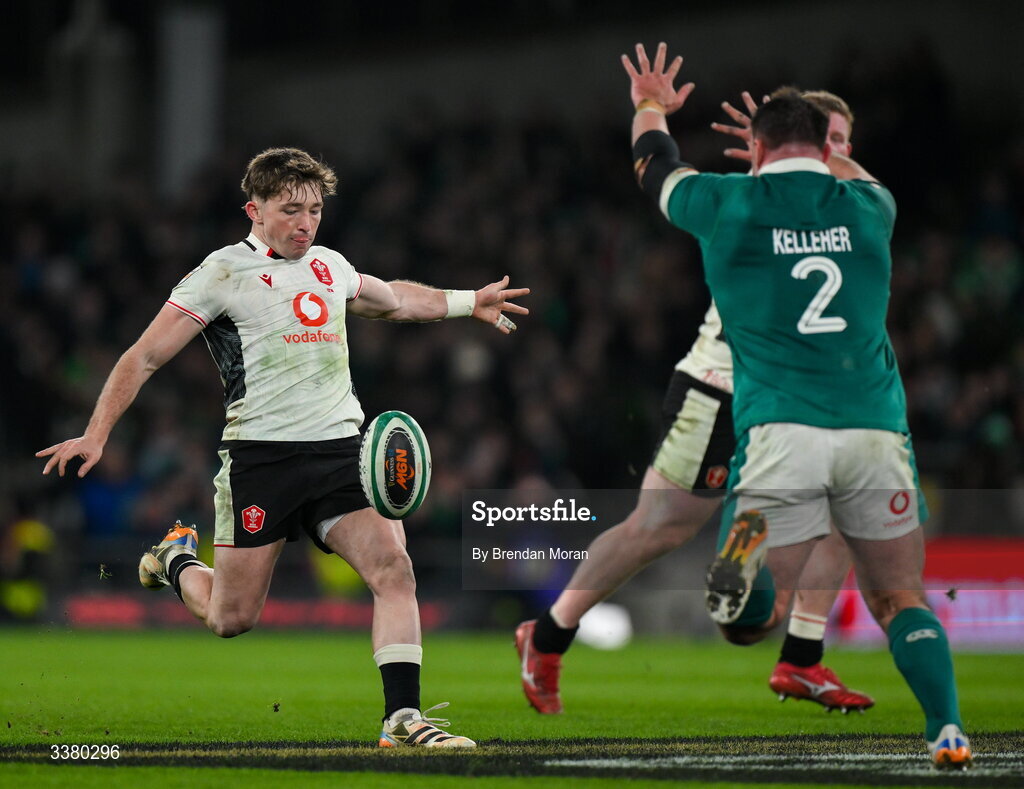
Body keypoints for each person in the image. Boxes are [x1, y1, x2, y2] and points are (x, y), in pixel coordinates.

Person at [37, 147, 530, 750]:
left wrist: (464, 302)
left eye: (315, 210)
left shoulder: (328, 266)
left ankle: (402, 719)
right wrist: (97, 432)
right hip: (261, 462)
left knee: (393, 570)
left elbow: (394, 299)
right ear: (255, 210)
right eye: (291, 209)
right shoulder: (220, 273)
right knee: (230, 619)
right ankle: (176, 560)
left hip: (340, 455)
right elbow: (143, 355)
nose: (306, 223)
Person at [622, 43, 970, 769]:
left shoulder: (729, 203)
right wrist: (826, 149)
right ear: (827, 146)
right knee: (901, 597)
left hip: (781, 431)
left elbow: (656, 167)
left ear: (755, 146)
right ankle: (947, 729)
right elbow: (853, 173)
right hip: (874, 431)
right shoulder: (873, 209)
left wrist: (650, 105)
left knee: (752, 623)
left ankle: (742, 558)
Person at [515, 90, 873, 716]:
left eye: (844, 143)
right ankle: (547, 636)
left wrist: (651, 107)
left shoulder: (829, 208)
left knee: (852, 504)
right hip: (723, 390)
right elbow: (657, 167)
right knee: (657, 529)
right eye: (828, 142)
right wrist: (655, 109)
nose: (837, 153)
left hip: (796, 403)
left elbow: (657, 164)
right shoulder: (820, 209)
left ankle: (802, 657)